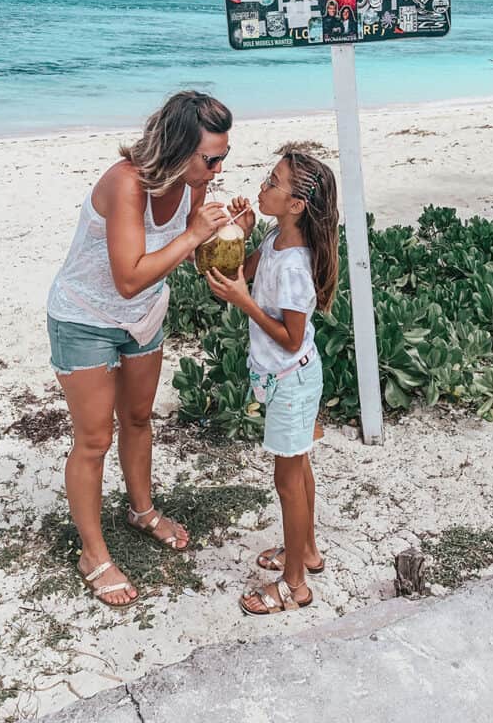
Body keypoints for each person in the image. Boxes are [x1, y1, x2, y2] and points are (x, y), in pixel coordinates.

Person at [47, 91, 234, 607]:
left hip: (144, 316)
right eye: (211, 158)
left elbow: (191, 257)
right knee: (93, 440)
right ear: (177, 149)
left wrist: (230, 231)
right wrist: (195, 232)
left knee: (138, 418)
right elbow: (127, 278)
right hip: (85, 317)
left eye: (223, 156)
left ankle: (142, 509)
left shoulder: (195, 184)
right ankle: (92, 553)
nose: (218, 168)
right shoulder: (124, 183)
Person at [206, 149, 339, 616]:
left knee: (287, 478)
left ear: (296, 205)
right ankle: (306, 550)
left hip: (292, 380)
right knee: (298, 467)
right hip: (287, 379)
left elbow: (290, 337)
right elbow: (232, 277)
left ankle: (295, 585)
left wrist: (245, 304)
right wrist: (237, 237)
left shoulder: (294, 267)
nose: (262, 187)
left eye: (273, 182)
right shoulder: (272, 238)